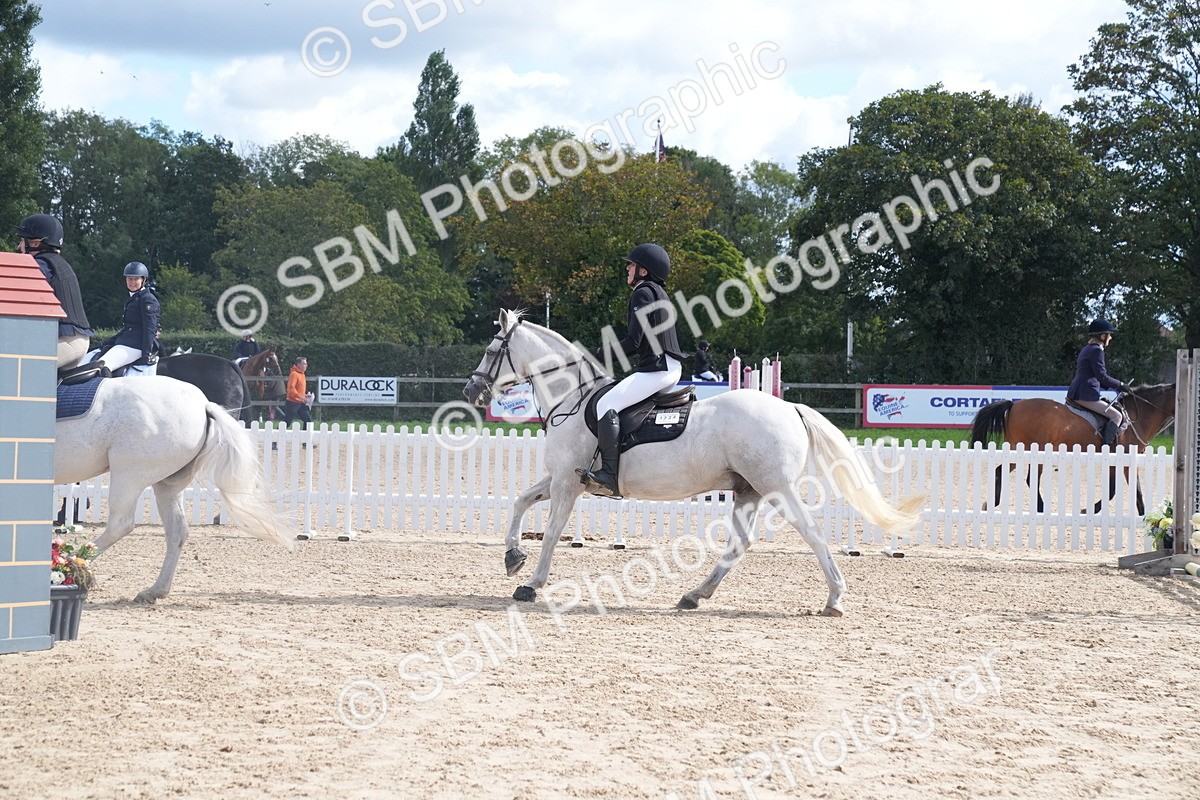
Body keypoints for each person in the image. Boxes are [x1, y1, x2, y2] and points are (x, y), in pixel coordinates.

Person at [576, 243, 685, 497]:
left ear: (643, 271)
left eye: (632, 265)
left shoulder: (642, 292)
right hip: (667, 367)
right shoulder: (659, 293)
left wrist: (595, 354)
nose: (627, 268)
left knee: (606, 404)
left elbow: (633, 343)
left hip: (658, 370)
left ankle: (608, 476)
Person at [15, 213, 93, 369]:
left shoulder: (41, 265)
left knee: (17, 367)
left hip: (67, 341)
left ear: (35, 243)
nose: (19, 246)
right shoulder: (53, 262)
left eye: (23, 240)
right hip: (71, 338)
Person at [1066, 318, 1131, 448]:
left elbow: (1093, 375)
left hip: (1078, 391)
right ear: (1102, 336)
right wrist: (1120, 385)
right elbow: (1102, 376)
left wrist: (1116, 387)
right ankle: (1105, 449)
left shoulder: (1087, 348)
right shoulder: (1097, 350)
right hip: (1085, 394)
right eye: (1109, 335)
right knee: (1116, 416)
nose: (1111, 338)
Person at [89, 262, 161, 375]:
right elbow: (128, 329)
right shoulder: (134, 298)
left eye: (136, 279)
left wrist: (146, 354)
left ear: (144, 280)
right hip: (126, 343)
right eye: (129, 279)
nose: (132, 282)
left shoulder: (147, 299)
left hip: (137, 345)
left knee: (103, 366)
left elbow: (149, 328)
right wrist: (107, 342)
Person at [282, 356, 312, 429]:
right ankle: (276, 435)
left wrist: (304, 395)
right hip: (292, 402)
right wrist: (300, 396)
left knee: (308, 421)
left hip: (301, 402)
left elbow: (299, 389)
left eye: (306, 364)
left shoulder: (302, 374)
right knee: (287, 421)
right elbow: (291, 388)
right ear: (298, 364)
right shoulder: (294, 374)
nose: (306, 366)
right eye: (304, 364)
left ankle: (305, 436)